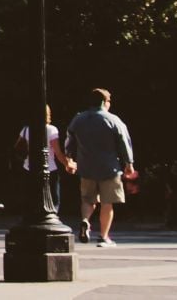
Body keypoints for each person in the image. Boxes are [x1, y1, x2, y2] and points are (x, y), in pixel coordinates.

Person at [66, 88, 135, 247]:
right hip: (109, 167)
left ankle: (85, 221)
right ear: (105, 102)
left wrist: (69, 158)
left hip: (86, 166)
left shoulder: (79, 119)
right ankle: (104, 237)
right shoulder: (113, 120)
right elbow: (124, 142)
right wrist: (128, 163)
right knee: (107, 202)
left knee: (87, 199)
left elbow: (70, 139)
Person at [16, 105, 76, 217]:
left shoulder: (25, 129)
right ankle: (51, 218)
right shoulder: (51, 129)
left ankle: (32, 218)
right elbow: (57, 152)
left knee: (31, 197)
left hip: (28, 168)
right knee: (54, 198)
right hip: (50, 168)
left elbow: (18, 147)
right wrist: (68, 164)